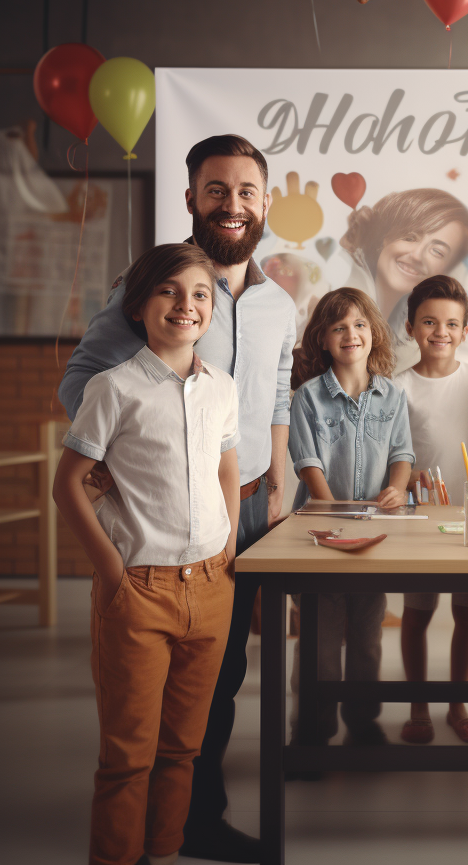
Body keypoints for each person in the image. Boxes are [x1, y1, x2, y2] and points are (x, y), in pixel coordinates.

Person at [58, 134, 295, 863]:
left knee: (218, 676)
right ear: (191, 198)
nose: (232, 204)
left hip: (248, 503)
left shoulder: (278, 301)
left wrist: (280, 470)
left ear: (264, 203)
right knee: (147, 688)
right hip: (162, 517)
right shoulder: (159, 286)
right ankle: (165, 824)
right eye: (216, 190)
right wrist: (116, 465)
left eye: (246, 191)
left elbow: (277, 389)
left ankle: (190, 817)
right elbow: (84, 382)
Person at [52, 244, 240, 865]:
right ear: (137, 307)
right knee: (129, 755)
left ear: (212, 311)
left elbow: (228, 464)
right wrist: (110, 570)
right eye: (169, 293)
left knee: (182, 747)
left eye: (201, 296)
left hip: (212, 586)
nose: (186, 306)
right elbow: (68, 484)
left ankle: (163, 852)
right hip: (139, 589)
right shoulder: (113, 388)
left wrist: (230, 538)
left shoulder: (223, 388)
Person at [289, 288, 414, 747]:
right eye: (339, 326)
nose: (350, 334)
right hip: (320, 537)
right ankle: (312, 732)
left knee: (366, 640)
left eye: (360, 324)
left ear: (374, 333)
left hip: (374, 539)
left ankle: (364, 725)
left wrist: (397, 488)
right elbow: (309, 465)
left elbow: (402, 452)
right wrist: (334, 514)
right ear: (322, 338)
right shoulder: (306, 398)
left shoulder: (392, 396)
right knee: (320, 647)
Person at [394, 275, 468, 746]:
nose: (439, 331)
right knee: (417, 613)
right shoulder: (397, 387)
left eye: (451, 324)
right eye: (429, 322)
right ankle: (418, 706)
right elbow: (395, 459)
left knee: (467, 613)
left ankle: (457, 704)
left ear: (465, 331)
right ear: (410, 327)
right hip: (421, 518)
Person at [341, 188, 468, 373]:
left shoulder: (418, 341)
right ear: (384, 239)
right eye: (410, 237)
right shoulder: (337, 298)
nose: (417, 256)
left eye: (437, 251)